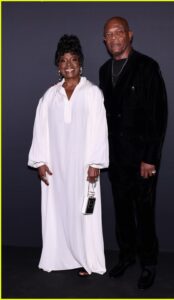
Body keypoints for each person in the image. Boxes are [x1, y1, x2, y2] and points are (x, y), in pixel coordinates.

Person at [28, 34, 109, 276]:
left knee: (86, 213)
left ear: (81, 63)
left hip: (84, 167)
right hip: (56, 167)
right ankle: (58, 255)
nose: (69, 65)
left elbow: (99, 128)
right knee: (57, 211)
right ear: (58, 66)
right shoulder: (49, 96)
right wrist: (40, 161)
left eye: (73, 59)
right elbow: (40, 129)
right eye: (63, 61)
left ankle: (87, 260)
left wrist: (96, 162)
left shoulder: (92, 92)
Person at [99, 16, 167, 289]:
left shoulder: (147, 67)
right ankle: (126, 256)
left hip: (142, 160)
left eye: (118, 32)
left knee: (145, 214)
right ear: (104, 41)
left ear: (130, 34)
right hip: (116, 159)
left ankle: (148, 264)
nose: (114, 38)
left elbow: (159, 114)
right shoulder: (104, 70)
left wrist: (150, 157)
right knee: (122, 213)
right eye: (109, 34)